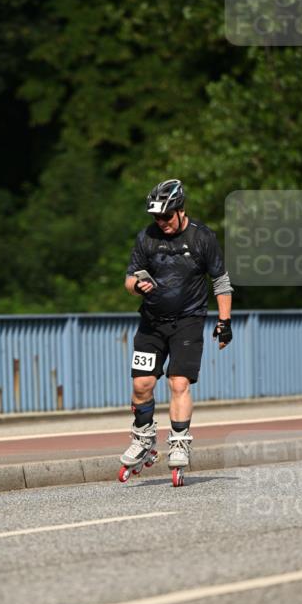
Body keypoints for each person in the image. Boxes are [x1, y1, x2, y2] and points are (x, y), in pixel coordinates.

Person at [120, 178, 233, 483]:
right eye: (156, 217)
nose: (162, 223)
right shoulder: (146, 238)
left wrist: (224, 323)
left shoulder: (202, 238)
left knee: (178, 382)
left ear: (181, 210)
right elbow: (129, 279)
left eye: (166, 216)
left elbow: (221, 281)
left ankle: (179, 441)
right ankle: (143, 439)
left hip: (188, 321)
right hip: (152, 322)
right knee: (142, 384)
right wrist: (137, 287)